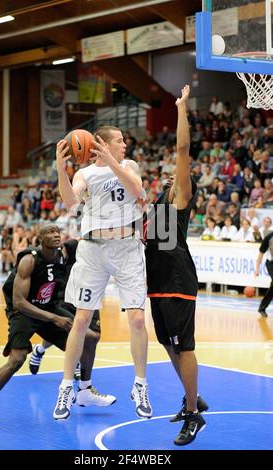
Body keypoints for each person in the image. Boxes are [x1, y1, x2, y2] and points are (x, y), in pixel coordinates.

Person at [0, 223, 115, 431]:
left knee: (91, 337)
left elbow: (85, 240)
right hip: (22, 313)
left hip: (49, 307)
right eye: (50, 232)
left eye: (57, 231)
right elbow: (19, 301)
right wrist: (53, 318)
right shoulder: (29, 260)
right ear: (39, 239)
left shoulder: (63, 256)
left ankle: (84, 389)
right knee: (17, 359)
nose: (56, 235)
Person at [53, 125, 151, 421]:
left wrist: (112, 162)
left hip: (127, 248)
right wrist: (61, 169)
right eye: (120, 140)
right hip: (93, 249)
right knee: (81, 320)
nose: (125, 144)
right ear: (103, 143)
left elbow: (138, 192)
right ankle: (66, 387)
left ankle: (140, 385)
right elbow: (71, 202)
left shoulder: (129, 165)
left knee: (136, 317)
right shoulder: (85, 174)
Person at [145, 85, 208, 446]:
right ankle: (192, 395)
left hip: (178, 280)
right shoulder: (158, 203)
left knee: (183, 347)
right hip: (156, 282)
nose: (172, 175)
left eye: (179, 175)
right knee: (169, 346)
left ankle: (193, 415)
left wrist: (181, 109)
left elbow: (183, 149)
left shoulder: (180, 198)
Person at [254, 231, 273, 317]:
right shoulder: (269, 237)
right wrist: (257, 269)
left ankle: (262, 308)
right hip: (271, 263)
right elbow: (261, 254)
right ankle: (262, 308)